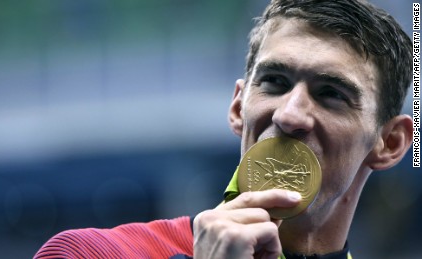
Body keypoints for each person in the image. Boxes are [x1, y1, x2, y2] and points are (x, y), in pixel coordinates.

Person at [34, 0, 413, 258]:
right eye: (275, 82)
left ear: (390, 143)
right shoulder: (89, 253)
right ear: (237, 107)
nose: (289, 114)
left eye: (330, 93)